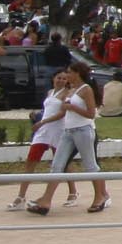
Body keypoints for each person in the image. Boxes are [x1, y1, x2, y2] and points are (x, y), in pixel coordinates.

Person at [27, 69, 107, 215]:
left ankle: (100, 197)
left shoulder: (86, 89)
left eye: (69, 73)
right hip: (68, 131)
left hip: (83, 130)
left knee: (90, 165)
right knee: (57, 165)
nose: (66, 76)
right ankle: (46, 201)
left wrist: (71, 107)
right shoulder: (71, 90)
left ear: (77, 73)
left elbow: (91, 114)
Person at [11, 72, 77, 210]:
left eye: (64, 78)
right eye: (59, 78)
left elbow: (62, 114)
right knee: (31, 161)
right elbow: (48, 109)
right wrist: (39, 118)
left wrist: (42, 121)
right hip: (43, 132)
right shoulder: (50, 92)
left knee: (63, 163)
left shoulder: (67, 93)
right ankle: (21, 196)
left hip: (58, 131)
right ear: (53, 78)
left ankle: (73, 192)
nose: (61, 80)